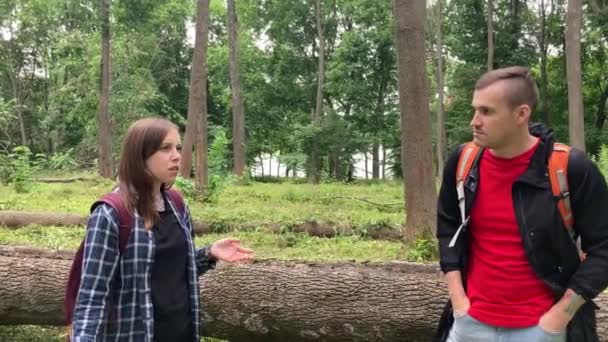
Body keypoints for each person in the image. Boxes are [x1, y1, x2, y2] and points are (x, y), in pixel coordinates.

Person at [435, 66, 608, 342]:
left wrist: (559, 317)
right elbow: (448, 228)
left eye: (487, 111)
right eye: (475, 109)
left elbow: (604, 249)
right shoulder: (464, 163)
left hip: (542, 330)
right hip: (469, 325)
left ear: (521, 114)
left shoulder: (569, 169)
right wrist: (458, 302)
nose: (474, 121)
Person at [71, 117, 254, 341]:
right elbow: (92, 295)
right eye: (165, 148)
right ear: (141, 155)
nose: (177, 156)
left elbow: (173, 272)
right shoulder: (111, 214)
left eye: (178, 147)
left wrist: (208, 253)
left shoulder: (177, 205)